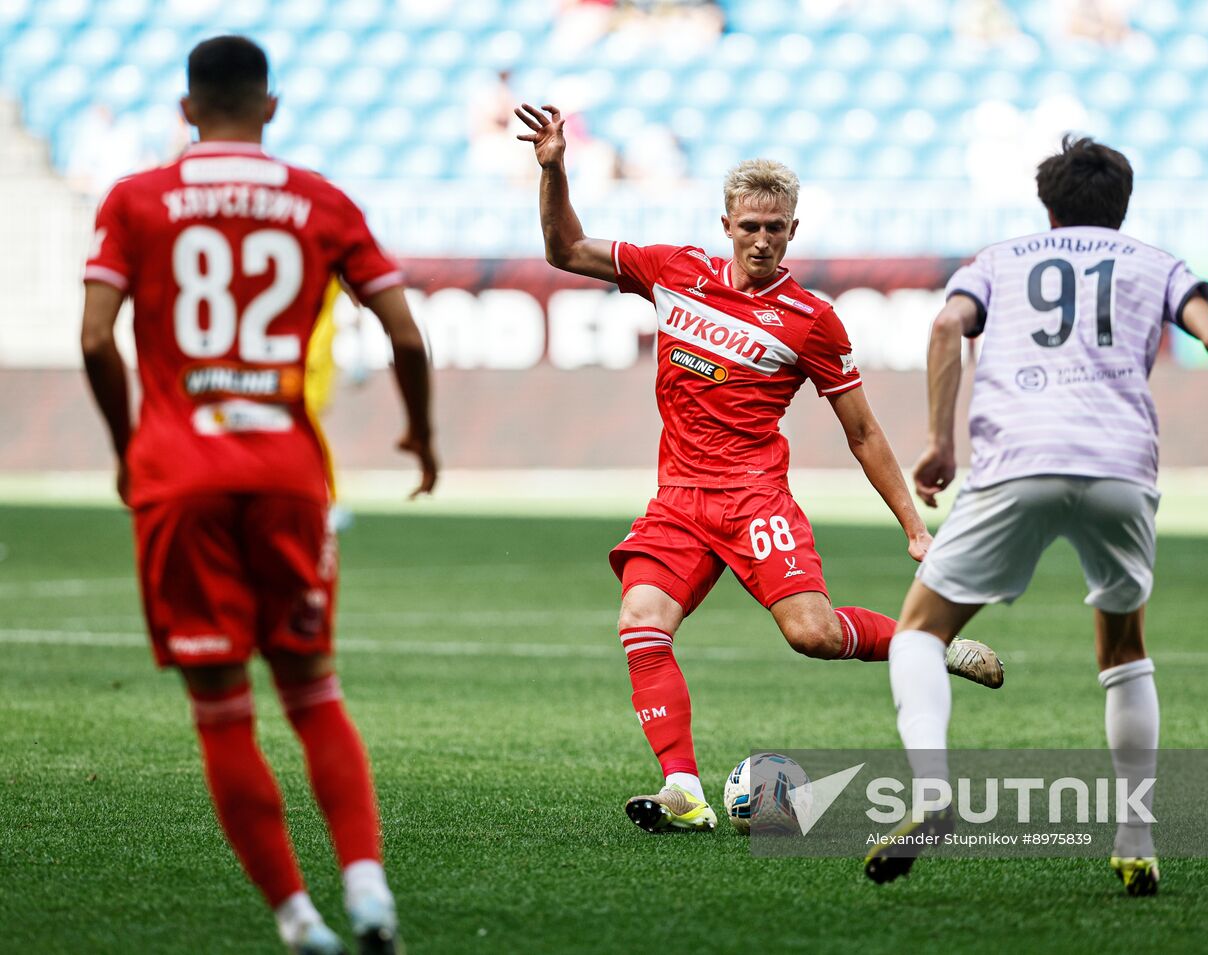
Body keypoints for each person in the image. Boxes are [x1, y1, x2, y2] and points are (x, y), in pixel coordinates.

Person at [515, 102, 1005, 833]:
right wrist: (554, 169)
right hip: (679, 499)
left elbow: (863, 430)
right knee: (641, 621)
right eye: (750, 227)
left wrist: (913, 526)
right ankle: (682, 787)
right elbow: (566, 248)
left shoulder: (811, 319)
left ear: (793, 231)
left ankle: (926, 641)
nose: (763, 241)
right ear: (727, 226)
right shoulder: (673, 271)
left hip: (755, 503)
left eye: (776, 228)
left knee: (811, 634)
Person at [864, 136, 1208, 893]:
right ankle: (1135, 839)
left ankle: (932, 788)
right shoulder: (1155, 263)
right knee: (1124, 649)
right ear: (1123, 204)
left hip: (1018, 460)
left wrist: (940, 440)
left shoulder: (998, 260)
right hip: (1119, 466)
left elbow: (945, 328)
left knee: (920, 631)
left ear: (1049, 204)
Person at [79, 35, 436, 954]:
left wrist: (130, 448)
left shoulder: (136, 199)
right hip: (285, 471)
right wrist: (421, 433)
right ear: (270, 108)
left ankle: (297, 919)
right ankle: (368, 892)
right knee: (313, 690)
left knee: (221, 705)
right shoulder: (317, 198)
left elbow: (93, 338)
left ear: (185, 109)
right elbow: (402, 329)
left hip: (178, 473)